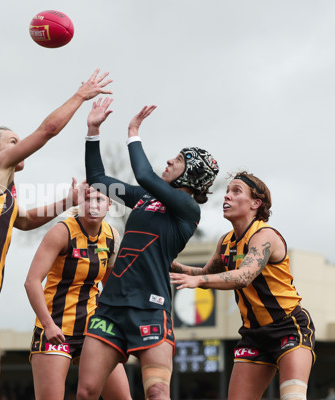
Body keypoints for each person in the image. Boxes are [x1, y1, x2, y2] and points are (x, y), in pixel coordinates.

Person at [0, 69, 113, 400]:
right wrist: (79, 96)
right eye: (13, 142)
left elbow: (28, 220)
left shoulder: (1, 191)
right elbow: (47, 131)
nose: (19, 146)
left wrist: (68, 201)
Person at [76, 99, 220, 400]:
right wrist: (93, 132)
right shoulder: (145, 197)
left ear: (190, 175)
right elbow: (99, 181)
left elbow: (144, 175)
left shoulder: (187, 208)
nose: (169, 161)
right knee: (87, 392)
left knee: (157, 392)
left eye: (178, 160)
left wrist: (133, 131)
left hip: (151, 310)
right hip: (111, 307)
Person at [170, 172, 316, 400]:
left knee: (293, 397)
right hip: (254, 335)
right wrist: (166, 263)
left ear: (256, 203)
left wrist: (198, 281)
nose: (227, 196)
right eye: (227, 191)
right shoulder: (226, 242)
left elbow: (243, 276)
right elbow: (204, 274)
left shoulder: (264, 235)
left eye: (236, 191)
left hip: (289, 328)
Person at [24, 186, 131, 400]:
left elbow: (110, 289)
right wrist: (48, 325)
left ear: (110, 205)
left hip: (93, 328)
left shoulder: (112, 236)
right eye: (87, 199)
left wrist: (121, 328)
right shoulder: (61, 232)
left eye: (99, 200)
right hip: (56, 328)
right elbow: (32, 282)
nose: (93, 205)